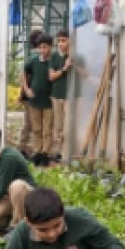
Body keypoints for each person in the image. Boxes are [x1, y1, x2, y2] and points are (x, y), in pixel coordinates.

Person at [22, 35, 55, 167]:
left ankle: (45, 153)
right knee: (36, 128)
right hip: (34, 100)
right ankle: (37, 152)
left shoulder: (53, 61)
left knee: (47, 129)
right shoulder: (34, 61)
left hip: (49, 100)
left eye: (45, 47)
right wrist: (26, 89)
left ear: (51, 47)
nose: (42, 50)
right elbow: (23, 72)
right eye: (40, 47)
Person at [16, 29, 44, 155]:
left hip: (33, 96)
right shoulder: (35, 57)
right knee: (30, 123)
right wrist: (23, 93)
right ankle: (22, 148)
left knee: (30, 123)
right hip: (32, 97)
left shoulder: (34, 55)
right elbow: (24, 76)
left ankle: (24, 147)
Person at [48, 30, 73, 163]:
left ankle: (68, 152)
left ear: (70, 41)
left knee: (69, 126)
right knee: (58, 126)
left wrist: (73, 64)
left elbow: (85, 74)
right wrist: (64, 69)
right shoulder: (54, 57)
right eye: (59, 41)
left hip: (71, 97)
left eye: (63, 40)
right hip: (57, 95)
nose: (60, 43)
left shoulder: (76, 56)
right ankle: (58, 152)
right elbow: (51, 76)